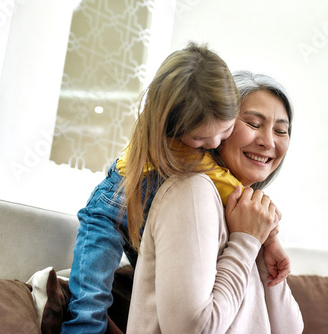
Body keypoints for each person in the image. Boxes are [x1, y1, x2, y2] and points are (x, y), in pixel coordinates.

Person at [62, 43, 291, 333]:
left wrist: (264, 239)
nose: (213, 145)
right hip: (113, 208)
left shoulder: (203, 166)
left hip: (149, 213)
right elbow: (230, 188)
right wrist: (265, 237)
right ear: (172, 128)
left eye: (224, 131)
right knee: (88, 306)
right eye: (201, 139)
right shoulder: (184, 161)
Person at [126, 70, 304, 333]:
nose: (268, 142)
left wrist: (262, 249)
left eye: (281, 130)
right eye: (253, 124)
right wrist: (245, 243)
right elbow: (193, 328)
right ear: (219, 125)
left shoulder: (250, 213)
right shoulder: (192, 190)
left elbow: (289, 330)